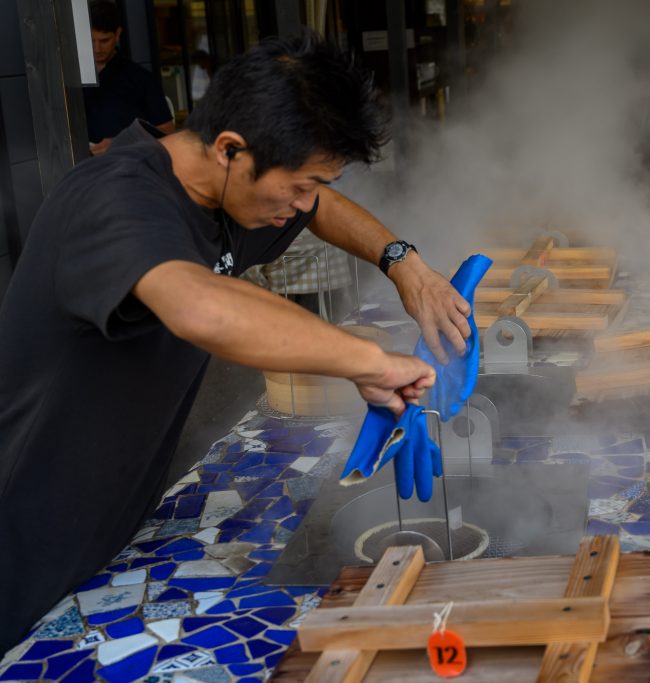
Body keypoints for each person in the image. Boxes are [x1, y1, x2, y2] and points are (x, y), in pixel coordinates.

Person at [0, 33, 472, 653]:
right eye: (298, 185)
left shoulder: (232, 197)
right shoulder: (114, 198)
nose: (303, 206)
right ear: (229, 149)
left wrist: (404, 264)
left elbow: (323, 206)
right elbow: (199, 306)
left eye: (315, 183)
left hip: (101, 532)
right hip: (17, 545)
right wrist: (370, 361)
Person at [84, 0, 176, 155]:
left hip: (129, 166)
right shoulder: (71, 81)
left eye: (104, 40)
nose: (97, 48)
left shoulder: (141, 79)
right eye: (91, 40)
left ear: (118, 34)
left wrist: (122, 142)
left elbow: (167, 132)